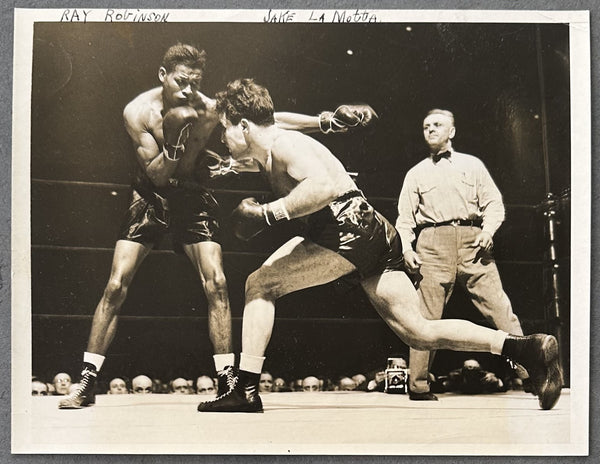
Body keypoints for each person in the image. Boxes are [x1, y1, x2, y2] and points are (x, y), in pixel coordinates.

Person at [196, 79, 562, 413]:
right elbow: (276, 126)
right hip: (371, 232)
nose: (222, 138)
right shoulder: (273, 139)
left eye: (226, 129)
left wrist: (268, 214)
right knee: (418, 331)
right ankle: (525, 347)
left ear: (243, 125)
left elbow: (322, 187)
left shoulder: (286, 145)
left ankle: (244, 389)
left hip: (345, 230)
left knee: (260, 284)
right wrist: (232, 167)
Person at [58, 43, 376, 410]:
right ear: (163, 76)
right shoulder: (137, 112)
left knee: (219, 283)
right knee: (116, 284)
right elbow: (156, 176)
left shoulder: (206, 108)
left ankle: (228, 382)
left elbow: (266, 123)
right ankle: (86, 381)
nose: (188, 90)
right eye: (181, 81)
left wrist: (323, 122)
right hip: (151, 196)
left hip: (193, 195)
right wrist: (174, 149)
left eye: (195, 82)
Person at [395, 108, 528, 401]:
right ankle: (418, 386)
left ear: (452, 132)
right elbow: (404, 218)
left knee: (500, 309)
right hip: (431, 243)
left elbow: (494, 204)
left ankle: (531, 375)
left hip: (473, 243)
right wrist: (406, 247)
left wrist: (488, 231)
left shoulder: (473, 165)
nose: (430, 129)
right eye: (426, 125)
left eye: (437, 124)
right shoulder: (415, 173)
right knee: (424, 317)